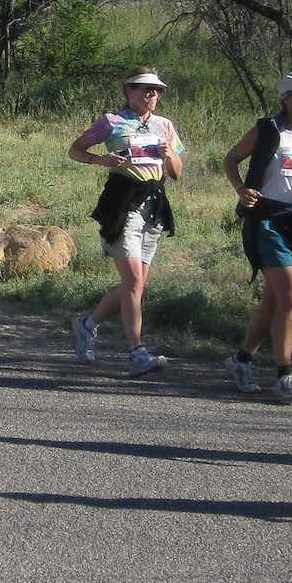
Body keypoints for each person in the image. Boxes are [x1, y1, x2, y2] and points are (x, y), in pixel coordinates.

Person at [221, 70, 292, 402]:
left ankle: (240, 360)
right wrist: (241, 189)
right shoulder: (268, 131)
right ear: (286, 99)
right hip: (267, 220)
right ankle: (285, 375)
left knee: (274, 299)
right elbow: (231, 159)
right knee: (290, 296)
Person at [67, 69, 184, 377]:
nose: (153, 95)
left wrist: (169, 155)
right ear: (128, 91)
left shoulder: (164, 125)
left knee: (136, 285)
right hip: (122, 205)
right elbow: (75, 149)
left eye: (157, 90)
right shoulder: (112, 121)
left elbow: (177, 173)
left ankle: (87, 324)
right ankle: (136, 352)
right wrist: (99, 160)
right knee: (133, 281)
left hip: (154, 207)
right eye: (146, 89)